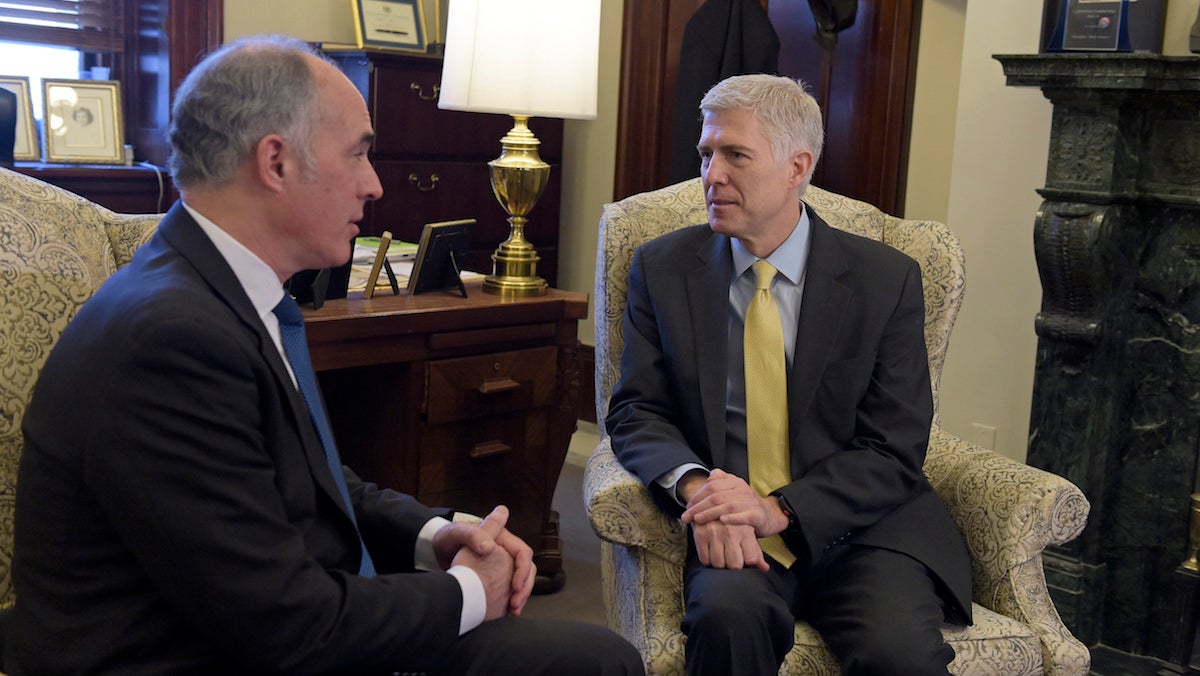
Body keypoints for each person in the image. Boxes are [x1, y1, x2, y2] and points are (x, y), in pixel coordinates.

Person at [7, 34, 643, 676]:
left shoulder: (224, 293)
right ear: (276, 162)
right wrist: (472, 591)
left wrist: (435, 535)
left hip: (278, 625)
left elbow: (311, 479)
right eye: (359, 154)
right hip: (206, 654)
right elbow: (288, 627)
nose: (374, 186)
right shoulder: (170, 339)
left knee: (587, 656)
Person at [606, 73, 973, 675]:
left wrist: (778, 510)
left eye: (735, 156)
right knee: (725, 623)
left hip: (862, 531)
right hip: (733, 528)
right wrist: (702, 491)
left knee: (899, 656)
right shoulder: (664, 267)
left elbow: (893, 445)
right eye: (706, 154)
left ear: (796, 167)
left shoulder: (886, 279)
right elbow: (636, 410)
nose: (711, 174)